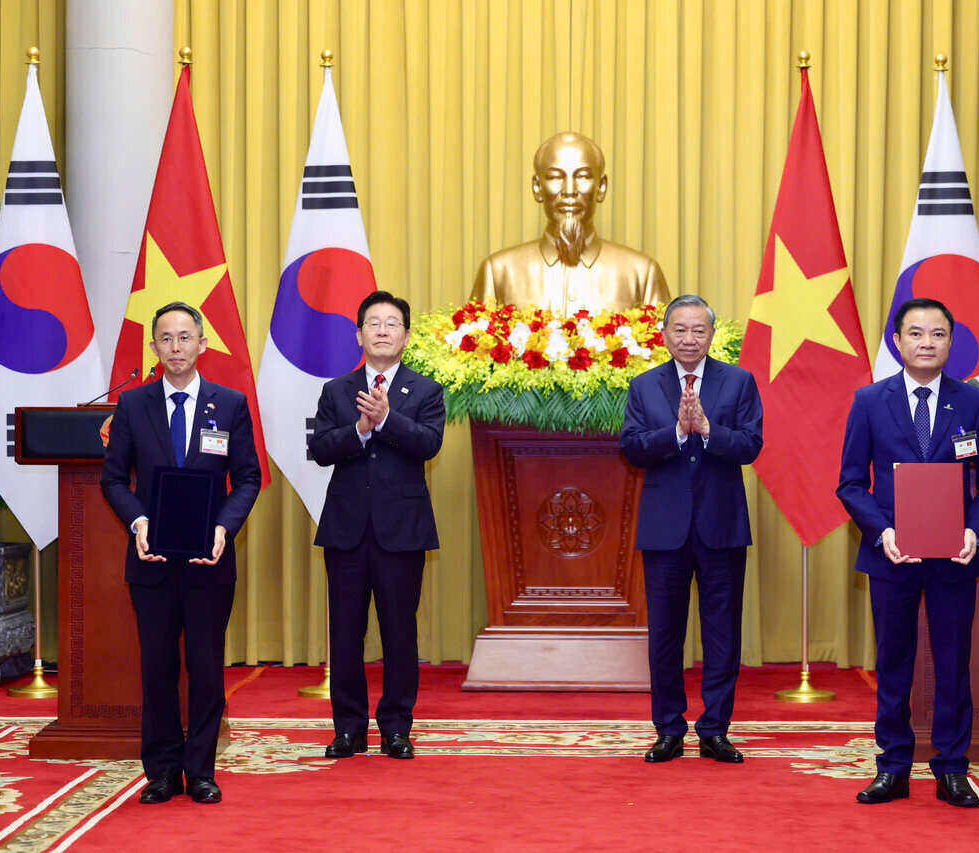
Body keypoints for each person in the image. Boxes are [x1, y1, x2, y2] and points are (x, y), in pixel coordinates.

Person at [837, 297, 979, 808]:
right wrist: (882, 532)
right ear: (898, 341)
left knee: (953, 664)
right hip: (891, 557)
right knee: (893, 662)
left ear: (950, 343)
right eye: (916, 334)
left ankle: (952, 768)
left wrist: (975, 532)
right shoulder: (869, 401)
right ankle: (892, 766)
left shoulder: (973, 402)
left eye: (938, 334)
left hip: (953, 558)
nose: (927, 343)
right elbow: (850, 484)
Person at [101, 301, 262, 805]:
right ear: (154, 346)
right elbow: (113, 479)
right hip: (151, 561)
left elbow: (249, 478)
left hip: (208, 561)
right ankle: (162, 772)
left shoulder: (230, 404)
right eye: (165, 338)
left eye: (184, 337)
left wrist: (224, 528)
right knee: (158, 669)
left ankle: (202, 771)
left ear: (202, 343)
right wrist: (138, 521)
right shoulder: (132, 406)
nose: (175, 347)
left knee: (207, 667)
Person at [619, 294, 763, 764]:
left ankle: (715, 729)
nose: (689, 338)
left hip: (721, 527)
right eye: (680, 329)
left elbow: (750, 445)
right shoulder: (644, 386)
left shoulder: (739, 382)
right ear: (664, 334)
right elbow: (633, 448)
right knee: (665, 634)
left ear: (712, 335)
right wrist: (678, 434)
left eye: (698, 330)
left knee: (722, 633)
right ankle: (669, 729)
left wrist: (707, 428)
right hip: (665, 532)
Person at [311, 290, 445, 761]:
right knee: (345, 632)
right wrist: (360, 431)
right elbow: (322, 448)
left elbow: (428, 444)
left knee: (398, 632)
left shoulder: (426, 390)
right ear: (359, 334)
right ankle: (347, 728)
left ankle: (396, 728)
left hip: (401, 530)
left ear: (406, 337)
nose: (383, 330)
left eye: (392, 323)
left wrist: (387, 420)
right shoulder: (336, 391)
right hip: (346, 529)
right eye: (374, 323)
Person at [471, 132, 671, 313]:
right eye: (555, 177)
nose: (569, 190)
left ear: (601, 187)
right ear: (537, 188)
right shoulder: (499, 272)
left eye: (583, 176)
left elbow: (664, 351)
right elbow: (475, 349)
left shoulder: (641, 273)